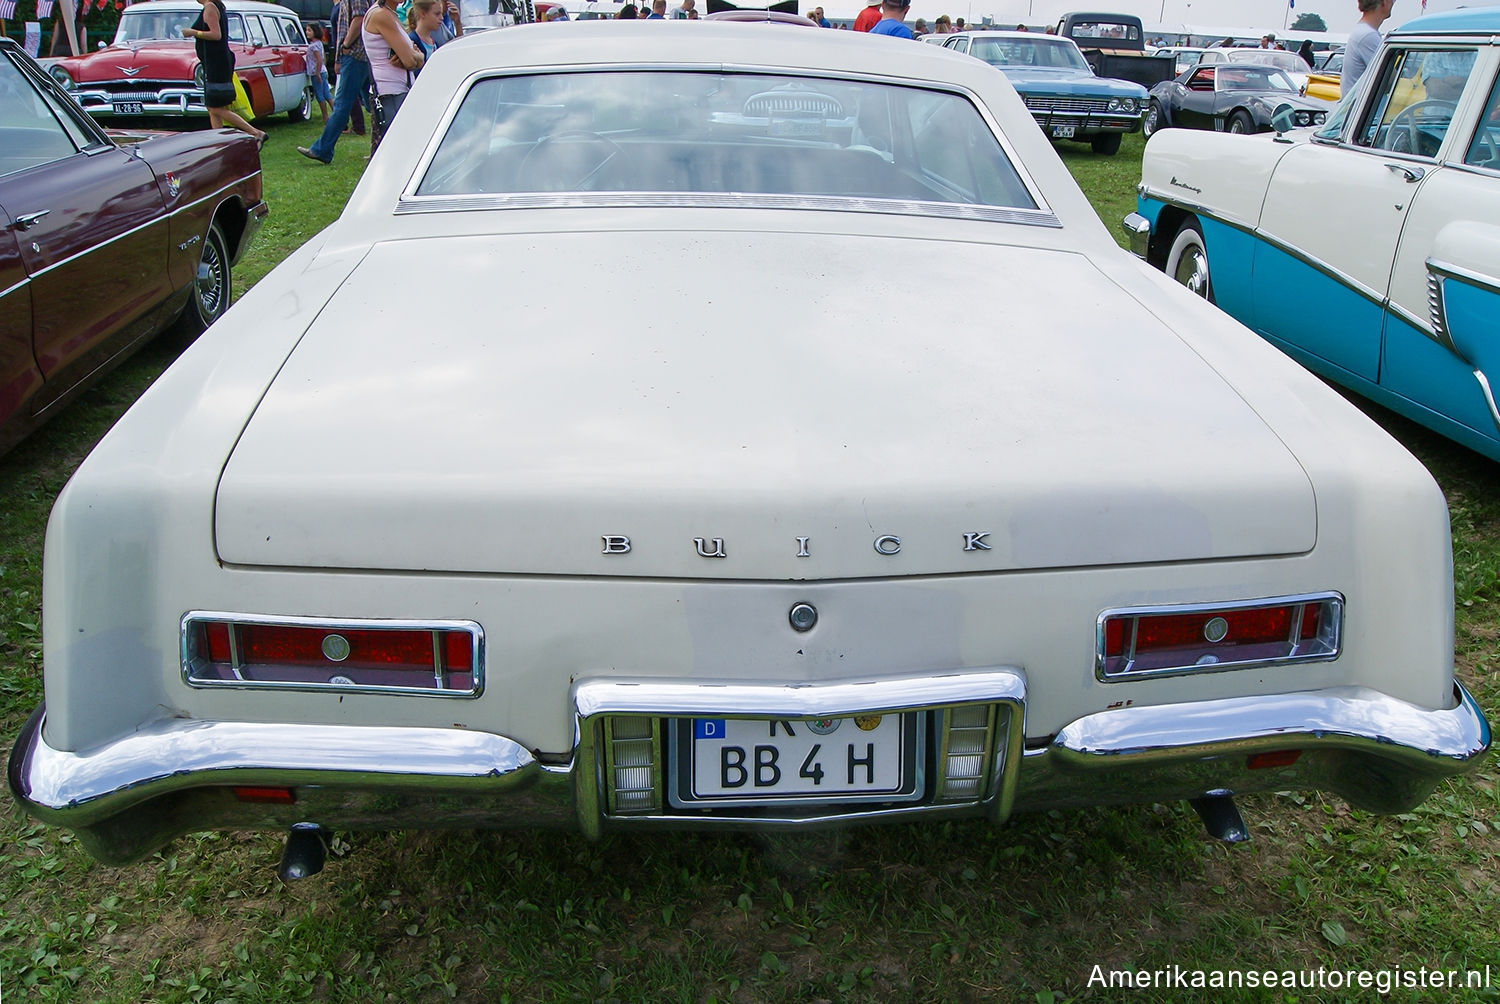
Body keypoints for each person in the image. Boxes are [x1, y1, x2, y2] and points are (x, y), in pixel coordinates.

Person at [183, 0, 266, 146]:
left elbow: (216, 35)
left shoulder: (210, 8)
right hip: (213, 62)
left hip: (217, 63)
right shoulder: (213, 7)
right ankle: (219, 142)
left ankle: (256, 132)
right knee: (212, 107)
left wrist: (193, 32)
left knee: (216, 107)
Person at [300, 0, 372, 163]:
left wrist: (345, 46)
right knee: (372, 103)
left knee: (342, 105)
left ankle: (322, 150)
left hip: (355, 54)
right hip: (357, 55)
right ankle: (387, 141)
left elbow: (359, 19)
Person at [362, 0, 423, 154]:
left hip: (396, 90)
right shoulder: (381, 15)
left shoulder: (390, 13)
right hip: (390, 94)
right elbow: (410, 61)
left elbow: (418, 58)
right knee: (399, 152)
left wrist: (416, 55)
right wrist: (414, 56)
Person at [1345, 0, 1395, 93]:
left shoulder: (1363, 31)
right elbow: (1389, 80)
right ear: (1384, 2)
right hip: (1359, 104)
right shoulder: (1368, 35)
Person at [305, 23, 332, 122]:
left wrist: (317, 72)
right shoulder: (319, 43)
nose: (307, 32)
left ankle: (325, 116)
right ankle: (335, 112)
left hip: (317, 72)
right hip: (323, 71)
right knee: (327, 93)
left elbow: (319, 60)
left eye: (309, 30)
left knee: (320, 95)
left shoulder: (313, 46)